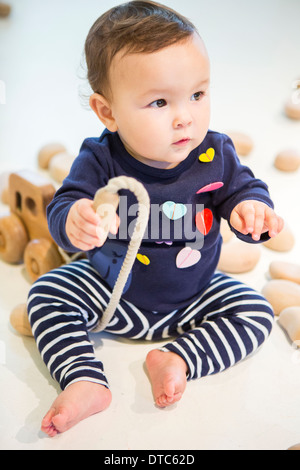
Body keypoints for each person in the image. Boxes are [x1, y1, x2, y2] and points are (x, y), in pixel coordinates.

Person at [27, 0, 283, 437]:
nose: (186, 116)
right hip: (111, 293)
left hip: (194, 296)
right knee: (47, 294)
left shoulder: (215, 153)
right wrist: (74, 220)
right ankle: (85, 379)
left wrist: (251, 211)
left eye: (198, 94)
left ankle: (179, 357)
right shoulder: (102, 157)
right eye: (160, 101)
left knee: (256, 311)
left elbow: (245, 189)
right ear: (108, 112)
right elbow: (65, 204)